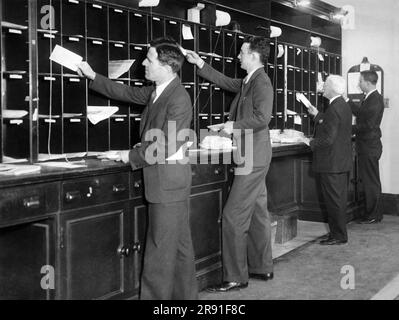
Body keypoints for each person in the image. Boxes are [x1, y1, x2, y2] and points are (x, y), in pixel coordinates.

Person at [77, 37, 197, 300]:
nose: (144, 62)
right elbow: (126, 93)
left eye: (150, 59)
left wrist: (127, 155)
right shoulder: (159, 91)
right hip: (168, 182)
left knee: (159, 251)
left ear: (167, 66)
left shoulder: (178, 98)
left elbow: (166, 145)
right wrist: (92, 75)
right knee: (179, 248)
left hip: (168, 183)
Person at [185, 36, 274, 292]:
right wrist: (200, 62)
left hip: (253, 157)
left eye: (242, 53)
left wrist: (231, 125)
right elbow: (225, 81)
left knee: (233, 216)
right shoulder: (249, 81)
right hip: (251, 154)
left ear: (254, 56)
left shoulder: (261, 81)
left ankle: (236, 276)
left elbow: (262, 117)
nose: (238, 57)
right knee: (257, 213)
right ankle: (262, 267)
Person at [305, 75, 352, 245]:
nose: (322, 87)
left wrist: (310, 142)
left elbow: (328, 139)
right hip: (340, 162)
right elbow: (332, 125)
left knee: (334, 202)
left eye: (325, 85)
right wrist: (317, 115)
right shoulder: (342, 105)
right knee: (338, 200)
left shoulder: (334, 108)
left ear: (332, 88)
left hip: (332, 164)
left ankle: (338, 236)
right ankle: (338, 233)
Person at [348, 70, 384, 224]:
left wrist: (346, 128)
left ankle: (373, 215)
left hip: (369, 146)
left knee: (371, 182)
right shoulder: (370, 98)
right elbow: (361, 113)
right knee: (371, 180)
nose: (359, 84)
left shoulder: (375, 99)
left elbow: (367, 125)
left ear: (368, 83)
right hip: (368, 146)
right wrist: (347, 101)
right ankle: (374, 213)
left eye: (361, 81)